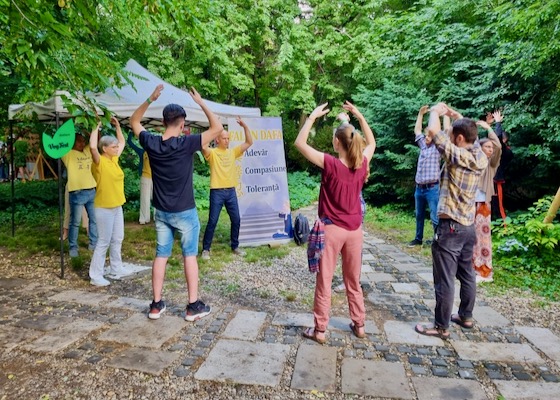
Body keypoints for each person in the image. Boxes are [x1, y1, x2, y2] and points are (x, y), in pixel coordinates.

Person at [130, 84, 223, 321]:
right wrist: (201, 102)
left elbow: (134, 121)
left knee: (161, 254)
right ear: (182, 124)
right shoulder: (186, 144)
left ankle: (156, 305)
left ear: (163, 123)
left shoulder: (151, 142)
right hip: (185, 213)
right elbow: (217, 128)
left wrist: (150, 98)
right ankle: (193, 307)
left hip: (161, 211)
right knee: (189, 255)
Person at [295, 101, 376, 344]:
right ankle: (359, 325)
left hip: (332, 230)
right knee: (353, 281)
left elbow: (300, 144)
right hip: (355, 231)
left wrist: (311, 118)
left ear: (336, 143)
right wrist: (359, 116)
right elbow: (372, 143)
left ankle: (320, 330)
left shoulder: (330, 163)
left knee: (325, 281)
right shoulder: (362, 162)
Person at [414, 103, 488, 339]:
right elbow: (472, 138)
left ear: (457, 138)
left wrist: (435, 112)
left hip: (450, 227)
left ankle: (441, 326)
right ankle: (465, 316)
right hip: (468, 226)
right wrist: (459, 117)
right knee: (467, 274)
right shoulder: (479, 157)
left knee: (444, 278)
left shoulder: (457, 156)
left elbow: (434, 134)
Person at [201, 117, 253, 259]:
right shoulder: (212, 153)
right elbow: (203, 144)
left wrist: (245, 126)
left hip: (230, 192)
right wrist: (214, 127)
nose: (227, 141)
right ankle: (206, 249)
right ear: (217, 140)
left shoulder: (233, 152)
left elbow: (249, 142)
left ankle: (235, 246)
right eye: (224, 138)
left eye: (228, 138)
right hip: (217, 192)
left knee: (236, 219)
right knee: (212, 221)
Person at [88, 117, 127, 286]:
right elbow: (91, 147)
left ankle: (115, 268)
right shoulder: (99, 162)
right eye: (113, 147)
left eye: (116, 146)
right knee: (103, 241)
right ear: (104, 149)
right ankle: (95, 276)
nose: (117, 148)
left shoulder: (113, 160)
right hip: (104, 207)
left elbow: (123, 141)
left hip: (117, 205)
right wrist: (96, 127)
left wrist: (118, 126)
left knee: (118, 238)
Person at [472, 120, 501, 283]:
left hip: (483, 204)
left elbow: (498, 147)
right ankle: (471, 268)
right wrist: (476, 128)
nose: (490, 149)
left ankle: (484, 272)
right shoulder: (475, 160)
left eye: (491, 148)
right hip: (469, 203)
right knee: (470, 237)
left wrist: (489, 128)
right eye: (487, 147)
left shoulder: (491, 164)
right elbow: (472, 143)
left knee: (483, 238)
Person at [61, 131, 98, 258]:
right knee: (75, 222)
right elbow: (62, 140)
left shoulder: (87, 150)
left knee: (94, 219)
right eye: (79, 141)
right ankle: (73, 248)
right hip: (77, 193)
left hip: (91, 191)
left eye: (83, 141)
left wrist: (91, 130)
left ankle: (93, 244)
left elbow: (96, 138)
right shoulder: (68, 154)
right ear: (72, 142)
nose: (82, 143)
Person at [408, 105, 441, 247]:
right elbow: (417, 130)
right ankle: (418, 238)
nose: (426, 138)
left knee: (435, 216)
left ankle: (438, 240)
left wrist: (440, 115)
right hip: (419, 188)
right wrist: (420, 114)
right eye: (426, 135)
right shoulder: (423, 146)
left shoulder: (437, 149)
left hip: (432, 188)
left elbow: (441, 134)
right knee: (419, 215)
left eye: (429, 136)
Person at [490, 110, 514, 221]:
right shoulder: (495, 150)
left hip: (497, 182)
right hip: (488, 181)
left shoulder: (506, 152)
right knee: (487, 206)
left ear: (504, 140)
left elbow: (497, 138)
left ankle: (505, 230)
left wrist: (498, 122)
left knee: (499, 208)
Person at [127, 132, 153, 224]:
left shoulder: (158, 150)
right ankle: (144, 219)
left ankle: (158, 218)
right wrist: (131, 132)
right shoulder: (142, 152)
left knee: (157, 198)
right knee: (144, 198)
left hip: (156, 177)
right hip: (145, 177)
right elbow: (130, 142)